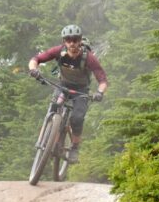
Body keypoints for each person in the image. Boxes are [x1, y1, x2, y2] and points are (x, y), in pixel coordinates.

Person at [28, 24, 107, 164]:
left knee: (77, 118)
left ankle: (75, 147)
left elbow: (102, 79)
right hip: (63, 86)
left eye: (75, 39)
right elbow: (36, 59)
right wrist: (34, 70)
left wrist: (99, 92)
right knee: (54, 106)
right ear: (64, 41)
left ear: (80, 40)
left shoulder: (89, 58)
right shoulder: (59, 51)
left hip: (81, 91)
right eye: (68, 40)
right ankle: (52, 139)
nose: (72, 43)